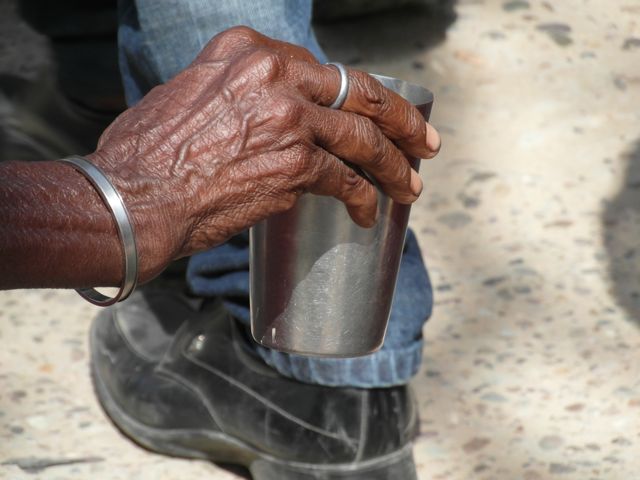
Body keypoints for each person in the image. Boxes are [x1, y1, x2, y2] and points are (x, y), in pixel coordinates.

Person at [1, 4, 441, 480]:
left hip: (317, 333)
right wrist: (113, 200)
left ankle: (302, 375)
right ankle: (96, 72)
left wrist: (129, 196)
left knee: (240, 36)